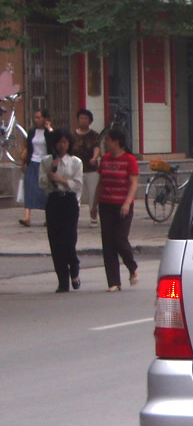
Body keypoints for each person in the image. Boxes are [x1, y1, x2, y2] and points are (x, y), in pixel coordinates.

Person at [38, 129, 84, 292]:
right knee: (55, 241)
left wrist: (61, 180)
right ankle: (62, 280)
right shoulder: (47, 161)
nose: (62, 145)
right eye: (59, 142)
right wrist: (51, 171)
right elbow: (42, 183)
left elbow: (77, 184)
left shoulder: (75, 162)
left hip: (69, 201)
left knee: (68, 240)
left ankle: (74, 267)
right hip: (54, 201)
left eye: (65, 142)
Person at [95, 126, 140, 292]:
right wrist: (94, 205)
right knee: (108, 243)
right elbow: (100, 183)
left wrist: (127, 203)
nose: (105, 143)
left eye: (107, 140)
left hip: (122, 205)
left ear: (116, 142)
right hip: (106, 204)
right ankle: (113, 281)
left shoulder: (129, 159)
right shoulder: (105, 159)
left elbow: (133, 183)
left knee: (120, 239)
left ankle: (132, 266)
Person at [20, 108, 54, 227]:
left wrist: (49, 129)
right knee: (29, 188)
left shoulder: (48, 132)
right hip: (33, 162)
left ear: (45, 118)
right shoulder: (32, 131)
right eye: (35, 117)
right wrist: (24, 162)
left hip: (45, 163)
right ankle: (27, 216)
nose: (37, 120)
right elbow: (29, 147)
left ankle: (48, 216)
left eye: (39, 117)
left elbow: (53, 143)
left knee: (45, 191)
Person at [71, 108, 102, 226]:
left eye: (86, 118)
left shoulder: (94, 135)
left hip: (91, 169)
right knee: (75, 194)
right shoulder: (73, 135)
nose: (83, 120)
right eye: (81, 118)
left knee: (93, 194)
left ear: (90, 121)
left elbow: (97, 147)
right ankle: (73, 216)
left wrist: (94, 158)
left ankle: (93, 216)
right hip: (76, 169)